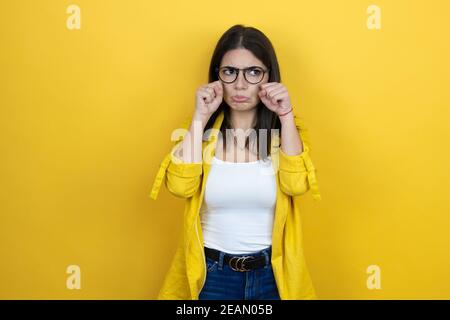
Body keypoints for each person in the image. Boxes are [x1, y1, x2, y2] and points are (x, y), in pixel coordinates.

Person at [150, 24, 322, 300]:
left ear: (269, 76)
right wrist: (199, 117)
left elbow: (296, 184)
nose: (240, 85)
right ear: (217, 76)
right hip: (212, 276)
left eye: (253, 72)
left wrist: (286, 114)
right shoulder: (201, 134)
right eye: (230, 72)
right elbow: (180, 187)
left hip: (272, 277)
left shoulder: (283, 134)